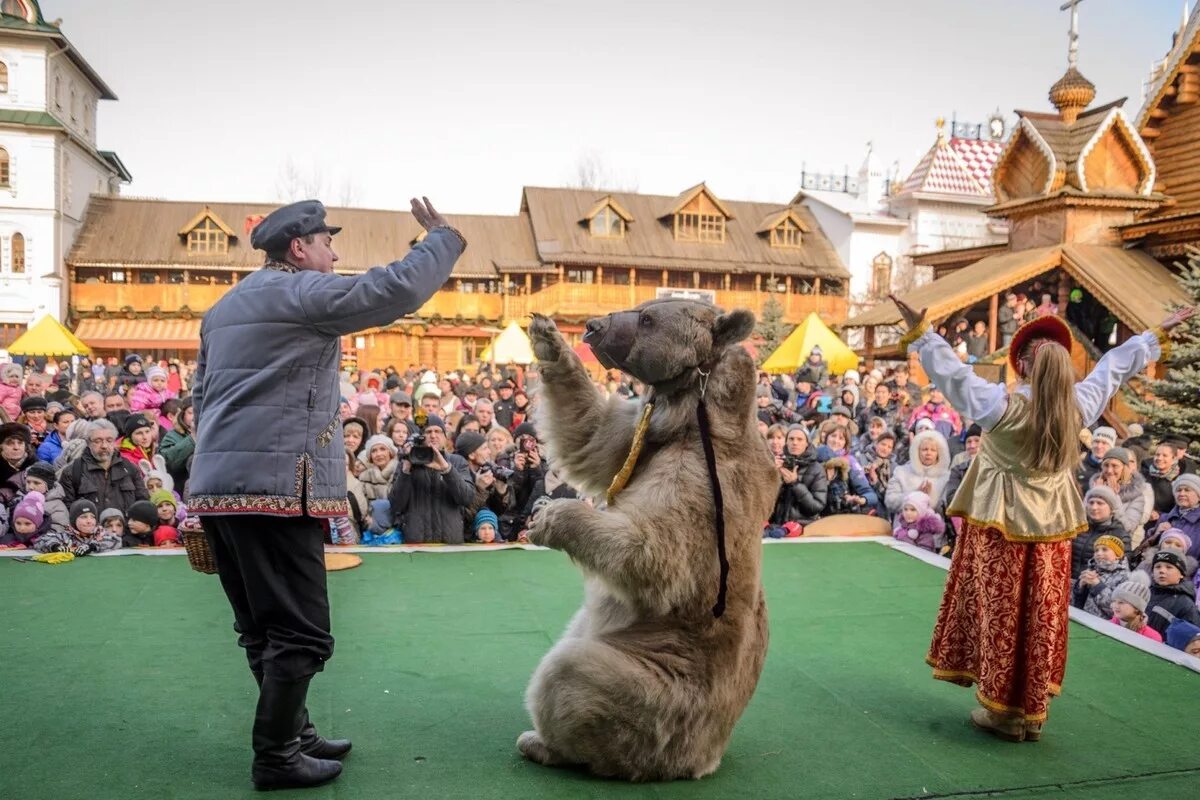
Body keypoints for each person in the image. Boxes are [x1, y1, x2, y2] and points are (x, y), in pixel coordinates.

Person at [189, 198, 465, 791]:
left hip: (220, 488)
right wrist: (440, 239)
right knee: (302, 632)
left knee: (261, 629)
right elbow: (394, 291)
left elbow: (200, 398)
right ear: (298, 248)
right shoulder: (300, 295)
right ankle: (276, 756)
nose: (334, 254)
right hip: (276, 488)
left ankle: (295, 733)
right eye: (326, 243)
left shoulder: (223, 308)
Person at [892, 292, 1193, 742]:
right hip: (1051, 530)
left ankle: (1003, 713)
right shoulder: (1081, 404)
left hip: (1001, 525)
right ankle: (1030, 711)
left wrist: (925, 333)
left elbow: (951, 374)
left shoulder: (999, 406)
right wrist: (1154, 336)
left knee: (1003, 612)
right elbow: (1116, 363)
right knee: (1040, 613)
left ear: (1025, 366)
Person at [388, 413, 476, 544]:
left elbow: (466, 498)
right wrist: (406, 470)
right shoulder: (407, 464)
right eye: (428, 432)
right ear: (421, 437)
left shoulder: (457, 462)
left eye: (438, 431)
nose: (433, 435)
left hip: (450, 543)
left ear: (445, 437)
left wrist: (447, 470)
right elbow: (396, 505)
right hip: (417, 545)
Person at [769, 425, 827, 529]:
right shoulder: (778, 463)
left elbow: (816, 507)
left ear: (807, 444)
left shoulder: (817, 469)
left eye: (800, 439)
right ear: (786, 442)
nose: (795, 443)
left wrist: (795, 484)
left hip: (803, 530)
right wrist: (772, 474)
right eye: (791, 439)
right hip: (776, 528)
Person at [1071, 534, 1130, 618]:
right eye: (1096, 550)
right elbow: (1075, 601)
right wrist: (1080, 587)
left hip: (1102, 626)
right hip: (1080, 618)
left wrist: (1098, 586)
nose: (1099, 553)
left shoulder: (1125, 577)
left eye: (1104, 549)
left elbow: (1116, 611)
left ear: (1117, 555)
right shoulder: (1091, 569)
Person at [1146, 549, 1200, 637]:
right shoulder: (1145, 592)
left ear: (1181, 574)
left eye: (1169, 567)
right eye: (1158, 566)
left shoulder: (1186, 605)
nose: (1162, 571)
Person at [1108, 572, 1162, 642]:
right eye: (1114, 601)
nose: (1115, 605)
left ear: (1136, 608)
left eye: (1121, 602)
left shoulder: (1152, 637)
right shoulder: (1107, 625)